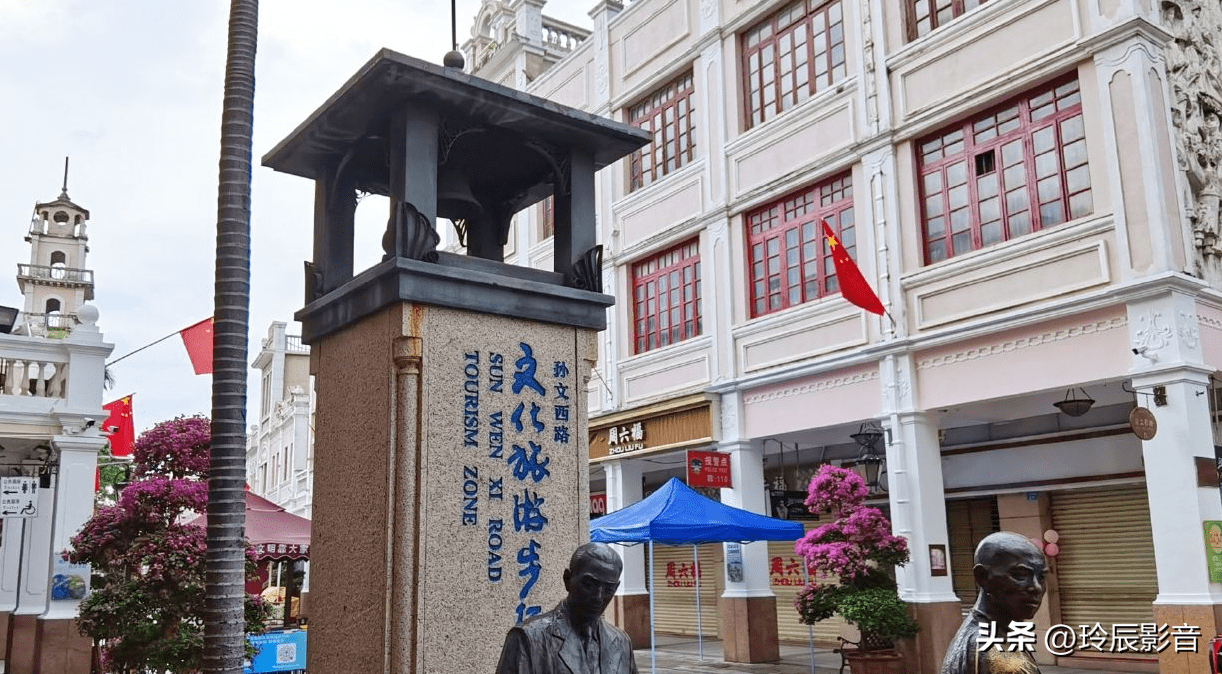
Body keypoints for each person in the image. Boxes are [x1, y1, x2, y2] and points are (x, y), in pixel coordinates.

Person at [495, 542, 638, 674]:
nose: (598, 597)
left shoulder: (621, 641)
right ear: (568, 579)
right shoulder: (528, 637)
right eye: (589, 585)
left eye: (608, 589)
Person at [940, 532, 1047, 674]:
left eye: (1041, 577)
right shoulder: (997, 655)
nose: (1036, 588)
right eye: (1020, 575)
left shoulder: (986, 632)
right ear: (983, 577)